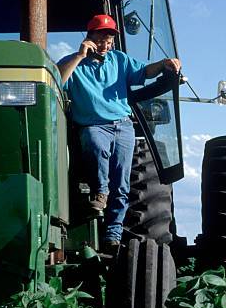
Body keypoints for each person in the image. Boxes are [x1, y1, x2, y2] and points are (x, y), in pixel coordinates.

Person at [58, 14, 181, 253]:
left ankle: (113, 233)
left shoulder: (119, 60)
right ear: (89, 37)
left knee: (122, 184)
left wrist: (165, 63)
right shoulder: (73, 63)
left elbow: (145, 72)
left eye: (110, 38)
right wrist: (79, 56)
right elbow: (58, 80)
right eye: (101, 37)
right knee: (96, 146)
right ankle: (100, 191)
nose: (106, 43)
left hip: (123, 125)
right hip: (93, 125)